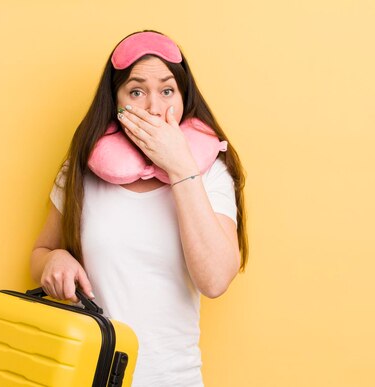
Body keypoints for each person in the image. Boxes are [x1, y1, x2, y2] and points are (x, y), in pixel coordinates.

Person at [30, 30, 248, 386]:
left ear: (183, 97)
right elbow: (40, 252)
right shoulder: (80, 170)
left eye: (166, 90)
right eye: (136, 91)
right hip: (85, 377)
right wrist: (53, 259)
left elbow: (215, 280)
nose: (153, 107)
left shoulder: (210, 173)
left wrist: (180, 167)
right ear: (115, 101)